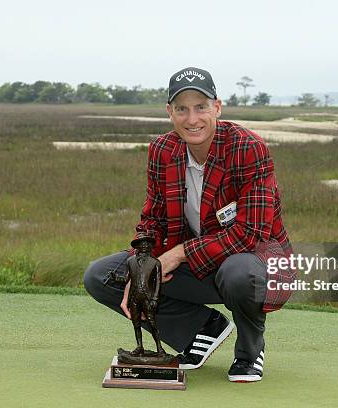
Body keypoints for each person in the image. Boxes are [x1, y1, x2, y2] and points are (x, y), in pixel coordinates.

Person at [84, 67, 294, 383]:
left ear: (217, 108)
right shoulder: (162, 150)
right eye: (182, 108)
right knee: (102, 275)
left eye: (201, 107)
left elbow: (251, 235)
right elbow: (152, 220)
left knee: (238, 272)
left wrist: (178, 253)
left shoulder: (247, 148)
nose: (191, 118)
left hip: (257, 266)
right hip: (200, 267)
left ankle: (250, 352)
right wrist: (141, 264)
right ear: (170, 112)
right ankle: (202, 330)